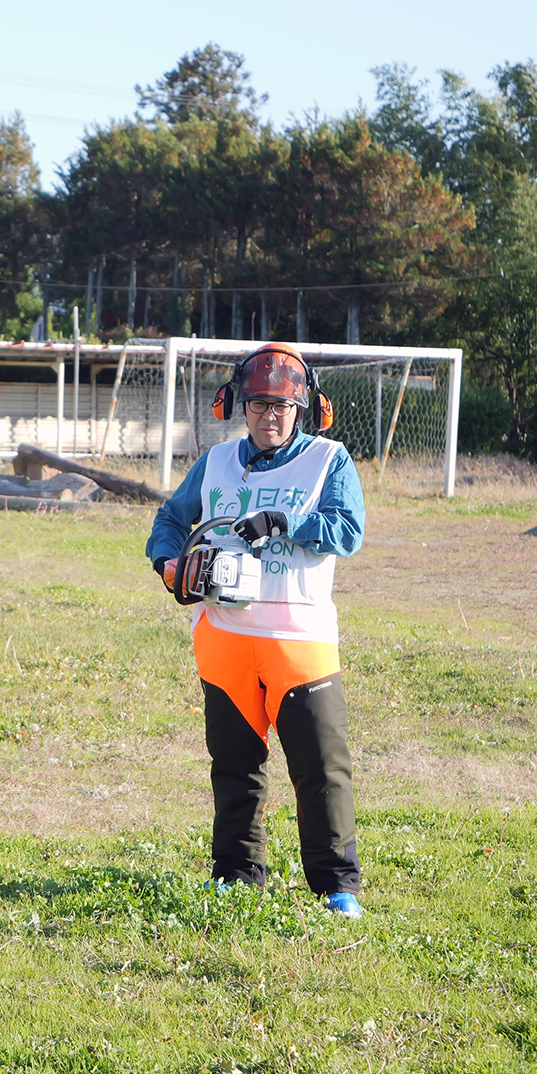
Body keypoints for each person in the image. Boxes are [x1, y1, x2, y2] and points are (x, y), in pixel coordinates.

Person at [147, 342, 366, 918]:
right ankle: (236, 876)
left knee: (321, 767)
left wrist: (286, 521)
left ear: (306, 409)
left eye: (282, 406)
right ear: (239, 406)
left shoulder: (329, 459)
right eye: (259, 404)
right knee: (235, 766)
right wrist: (170, 565)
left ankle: (336, 885)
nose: (270, 416)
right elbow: (171, 518)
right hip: (224, 639)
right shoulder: (217, 462)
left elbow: (348, 528)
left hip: (301, 642)